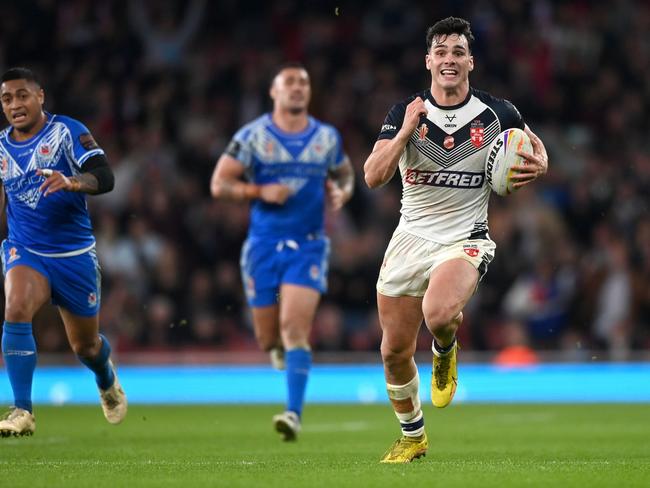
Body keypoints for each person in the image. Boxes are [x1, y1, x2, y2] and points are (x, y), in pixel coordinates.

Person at [363, 17, 548, 463]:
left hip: (466, 237)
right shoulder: (403, 113)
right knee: (393, 351)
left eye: (458, 52)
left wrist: (540, 164)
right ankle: (413, 437)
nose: (449, 59)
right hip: (411, 237)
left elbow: (536, 150)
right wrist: (407, 130)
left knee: (440, 311)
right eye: (441, 52)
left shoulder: (499, 113)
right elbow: (372, 176)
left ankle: (445, 346)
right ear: (428, 61)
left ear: (471, 62)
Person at [210, 62, 354, 441]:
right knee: (267, 338)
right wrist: (258, 192)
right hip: (262, 246)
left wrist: (343, 191)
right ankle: (277, 349)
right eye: (288, 82)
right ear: (273, 92)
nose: (297, 88)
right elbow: (220, 183)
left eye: (303, 82)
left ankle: (293, 414)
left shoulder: (326, 138)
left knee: (295, 328)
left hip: (308, 245)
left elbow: (345, 174)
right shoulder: (254, 136)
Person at [0, 67, 126, 437]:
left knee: (85, 346)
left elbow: (105, 176)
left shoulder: (67, 132)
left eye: (22, 95)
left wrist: (73, 182)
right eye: (7, 99)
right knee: (16, 306)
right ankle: (22, 409)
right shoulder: (1, 147)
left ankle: (106, 378)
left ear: (41, 96)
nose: (15, 104)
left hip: (73, 257)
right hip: (26, 250)